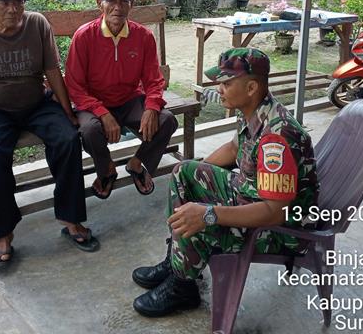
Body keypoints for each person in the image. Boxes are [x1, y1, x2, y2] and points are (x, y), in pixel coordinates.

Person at [131, 48, 319, 317]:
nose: (219, 89)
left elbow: (275, 212)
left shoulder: (276, 138)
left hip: (281, 231)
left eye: (227, 83)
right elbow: (234, 148)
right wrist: (195, 178)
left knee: (199, 217)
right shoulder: (253, 109)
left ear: (251, 87)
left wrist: (210, 213)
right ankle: (178, 262)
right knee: (184, 173)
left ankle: (182, 287)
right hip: (251, 195)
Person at [0, 0, 98, 262]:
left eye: (18, 2)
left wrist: (67, 112)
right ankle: (3, 233)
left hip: (36, 103)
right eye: (4, 3)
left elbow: (53, 72)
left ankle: (70, 218)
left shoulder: (37, 24)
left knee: (68, 138)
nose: (13, 9)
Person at [65, 0, 177, 200]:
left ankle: (137, 163)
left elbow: (153, 79)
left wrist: (152, 107)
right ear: (100, 4)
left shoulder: (143, 36)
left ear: (131, 5)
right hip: (93, 103)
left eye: (124, 1)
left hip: (129, 99)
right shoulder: (84, 36)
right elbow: (74, 85)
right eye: (111, 1)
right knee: (89, 131)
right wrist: (102, 112)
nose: (118, 7)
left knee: (167, 120)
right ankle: (106, 167)